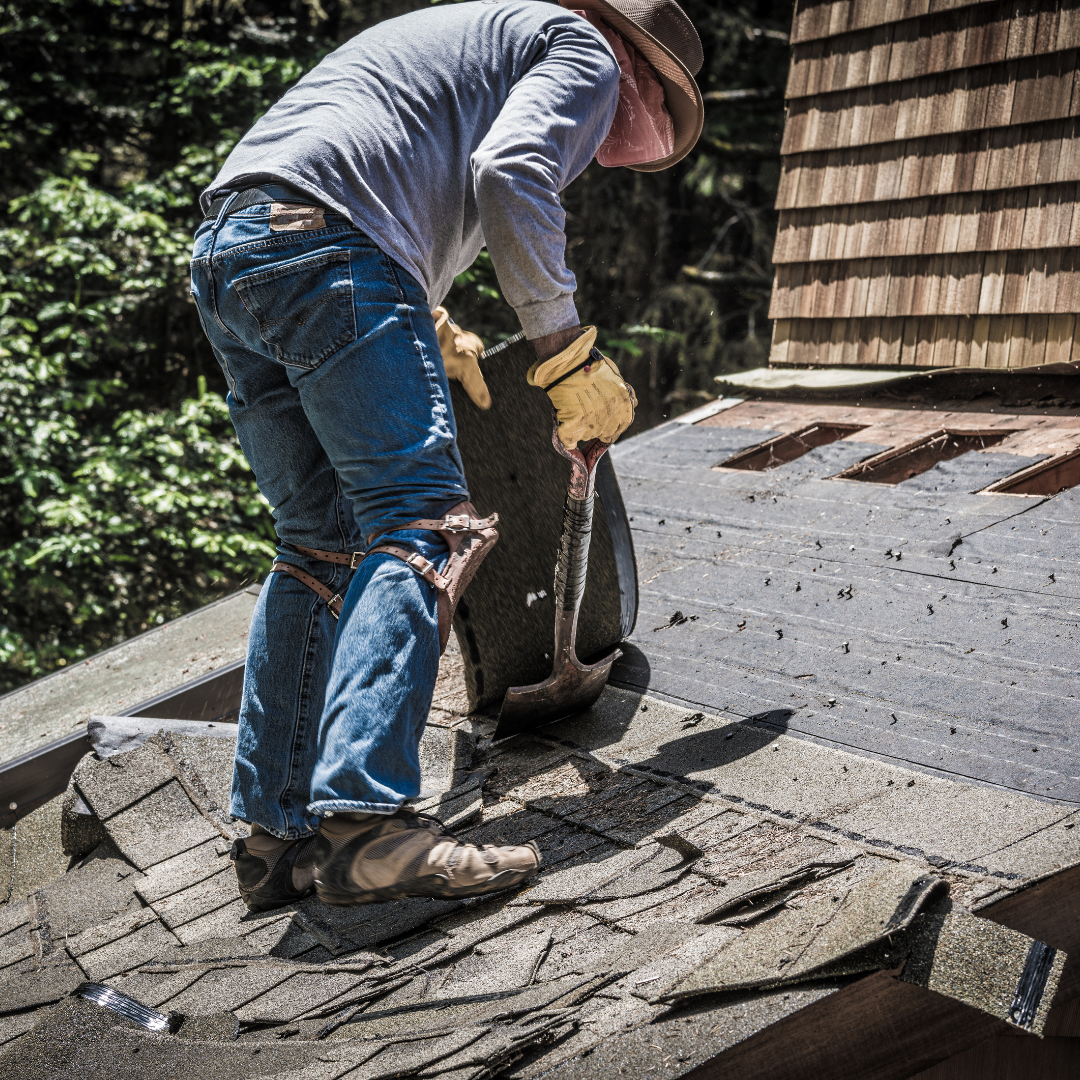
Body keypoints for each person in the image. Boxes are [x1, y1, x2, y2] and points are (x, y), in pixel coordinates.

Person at [189, 0, 704, 912]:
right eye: (649, 107)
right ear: (641, 69)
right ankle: (369, 830)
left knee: (319, 545)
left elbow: (372, 166)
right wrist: (565, 351)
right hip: (334, 250)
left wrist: (431, 317)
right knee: (425, 525)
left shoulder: (477, 38)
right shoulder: (581, 45)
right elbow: (509, 171)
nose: (621, 133)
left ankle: (276, 839)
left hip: (235, 251)